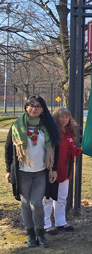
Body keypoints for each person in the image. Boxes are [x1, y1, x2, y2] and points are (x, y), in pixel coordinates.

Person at [4, 95, 60, 247]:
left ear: (42, 109)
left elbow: (55, 147)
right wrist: (9, 169)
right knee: (25, 204)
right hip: (22, 172)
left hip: (41, 171)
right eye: (31, 105)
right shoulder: (16, 125)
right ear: (26, 107)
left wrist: (53, 169)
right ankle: (30, 235)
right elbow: (9, 148)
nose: (34, 109)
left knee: (37, 203)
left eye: (37, 106)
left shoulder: (48, 125)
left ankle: (40, 234)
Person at [43, 107, 82, 235]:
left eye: (66, 117)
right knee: (48, 197)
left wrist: (79, 150)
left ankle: (60, 221)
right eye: (61, 117)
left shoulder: (69, 131)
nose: (64, 119)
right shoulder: (52, 131)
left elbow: (71, 149)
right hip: (53, 169)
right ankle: (46, 223)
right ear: (56, 118)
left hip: (66, 169)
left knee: (62, 197)